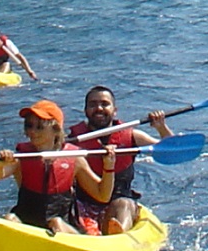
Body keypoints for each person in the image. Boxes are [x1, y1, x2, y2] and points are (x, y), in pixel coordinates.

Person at [0, 100, 114, 234]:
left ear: (55, 130)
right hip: (28, 223)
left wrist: (109, 166)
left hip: (62, 225)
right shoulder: (21, 157)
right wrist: (0, 163)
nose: (32, 131)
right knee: (10, 218)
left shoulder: (75, 159)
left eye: (39, 127)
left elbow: (103, 195)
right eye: (29, 125)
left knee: (56, 223)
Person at [67, 86, 170, 235]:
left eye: (104, 104)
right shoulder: (72, 141)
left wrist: (161, 128)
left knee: (123, 203)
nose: (99, 108)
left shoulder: (133, 136)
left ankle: (118, 234)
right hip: (83, 206)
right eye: (93, 104)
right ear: (85, 111)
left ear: (114, 110)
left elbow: (169, 152)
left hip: (119, 205)